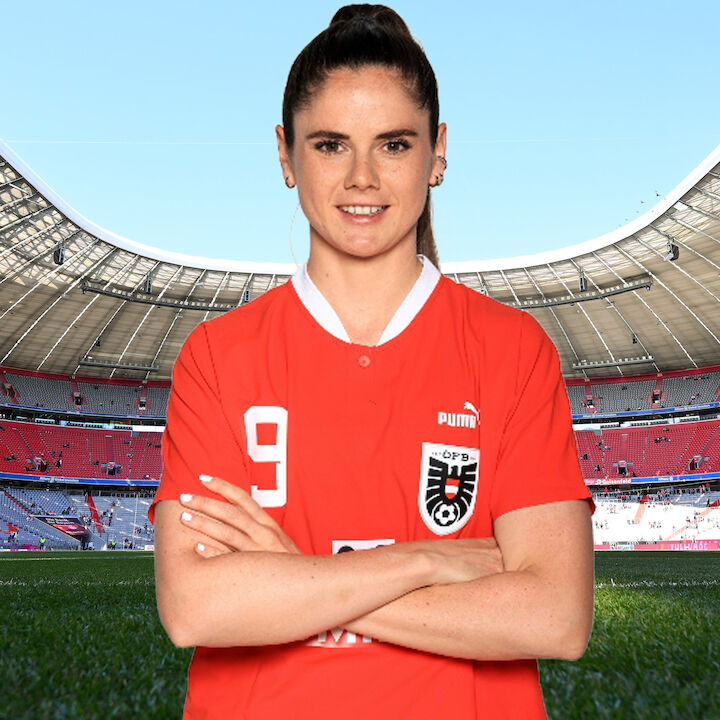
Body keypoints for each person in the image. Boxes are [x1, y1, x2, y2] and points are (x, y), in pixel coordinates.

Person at [150, 5, 594, 719]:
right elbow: (196, 607)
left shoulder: (512, 350)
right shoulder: (217, 357)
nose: (362, 177)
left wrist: (297, 580)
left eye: (393, 144)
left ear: (437, 151)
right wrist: (421, 561)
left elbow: (555, 616)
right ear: (285, 155)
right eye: (330, 145)